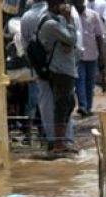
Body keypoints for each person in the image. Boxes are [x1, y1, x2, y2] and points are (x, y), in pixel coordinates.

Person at [38, 0, 79, 154]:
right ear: (55, 4)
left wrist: (68, 40)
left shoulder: (57, 20)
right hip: (60, 70)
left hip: (66, 68)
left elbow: (70, 41)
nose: (66, 6)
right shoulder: (51, 24)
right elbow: (72, 39)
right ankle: (59, 144)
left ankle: (61, 140)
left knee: (69, 103)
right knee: (61, 105)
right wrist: (69, 21)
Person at [73, 0, 105, 116]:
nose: (77, 4)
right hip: (78, 56)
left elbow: (99, 36)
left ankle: (88, 106)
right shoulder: (71, 16)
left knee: (89, 82)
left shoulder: (93, 15)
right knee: (79, 80)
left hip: (92, 54)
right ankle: (83, 105)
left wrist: (102, 55)